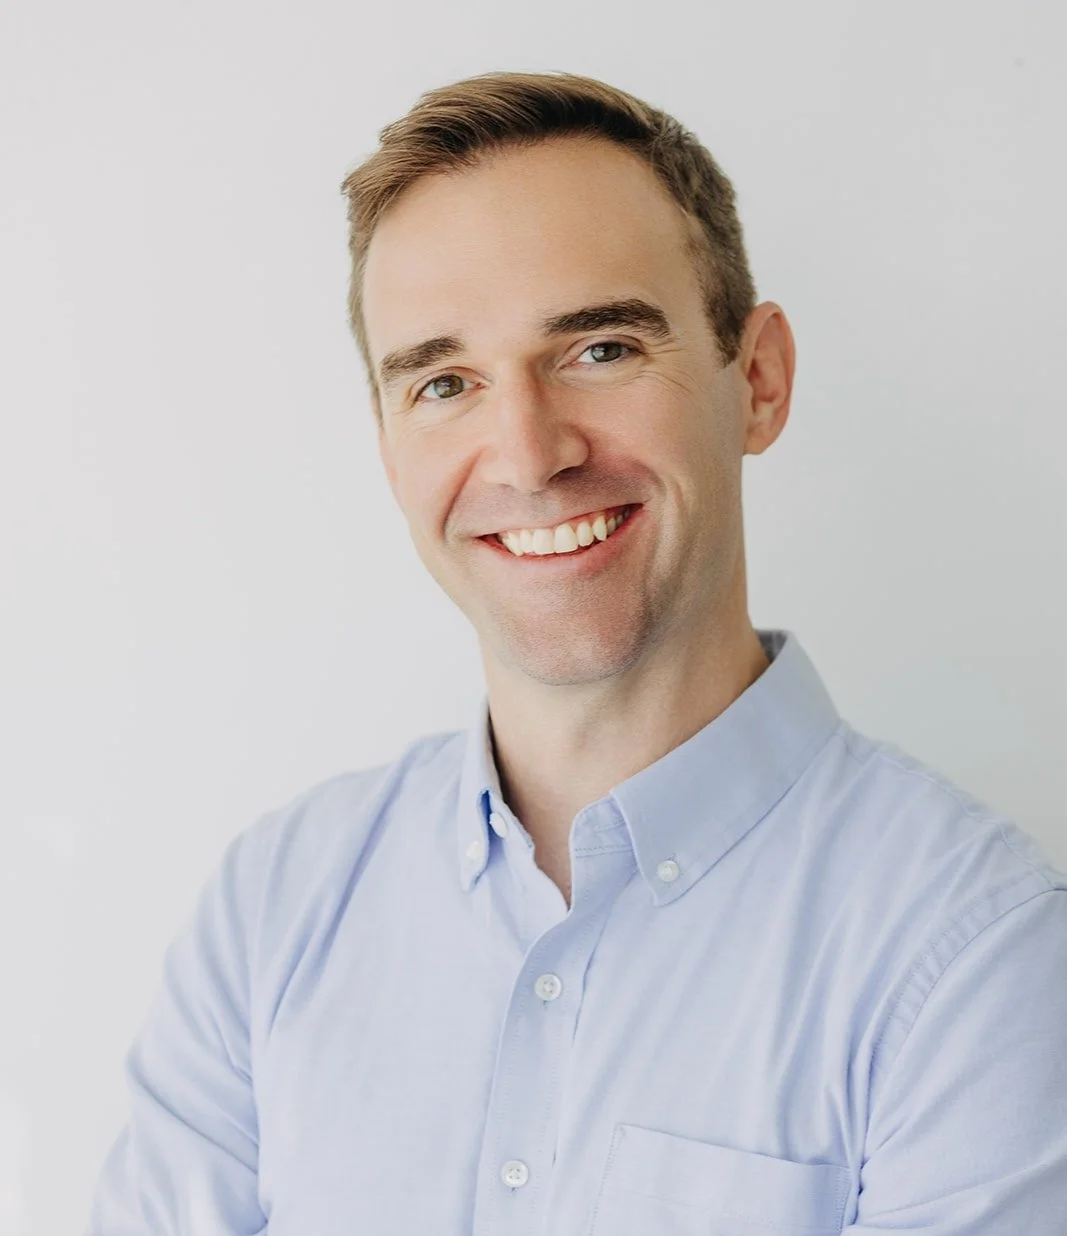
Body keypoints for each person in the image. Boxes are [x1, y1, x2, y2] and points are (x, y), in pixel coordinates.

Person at [85, 70, 1067, 1234]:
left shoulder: (977, 957)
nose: (526, 451)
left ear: (754, 381)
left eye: (598, 349)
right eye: (443, 382)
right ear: (390, 444)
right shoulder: (271, 916)